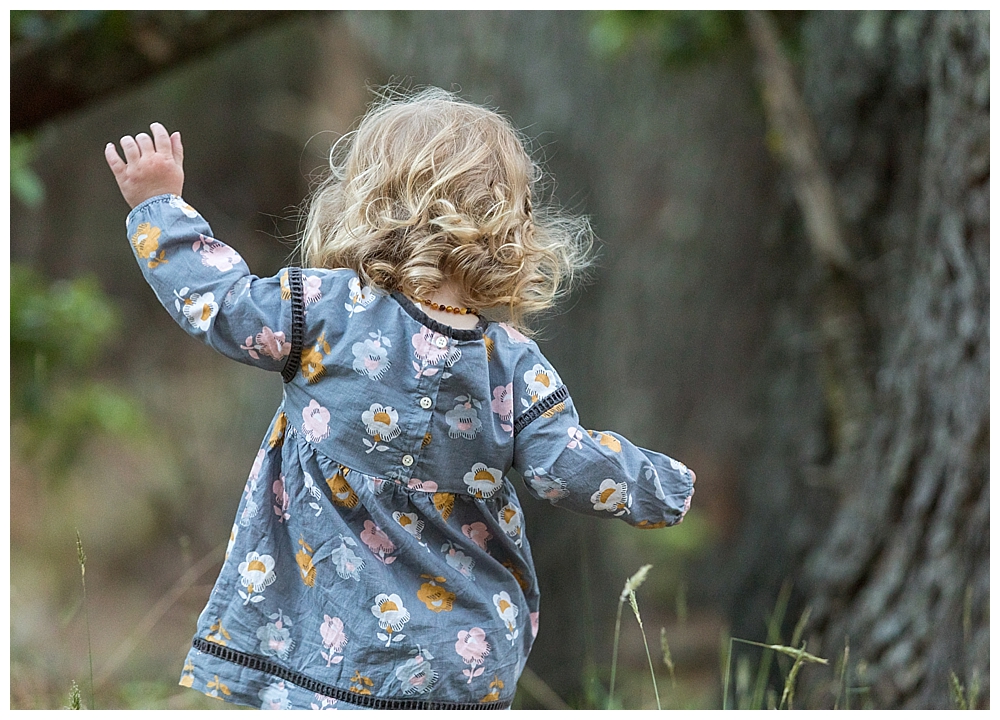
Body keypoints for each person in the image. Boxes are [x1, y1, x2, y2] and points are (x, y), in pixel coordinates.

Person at [105, 88, 695, 711]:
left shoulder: (325, 313)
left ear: (370, 201)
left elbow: (220, 304)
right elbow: (566, 467)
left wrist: (160, 208)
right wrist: (665, 487)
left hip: (322, 649)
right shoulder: (515, 365)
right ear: (507, 223)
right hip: (460, 654)